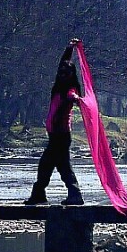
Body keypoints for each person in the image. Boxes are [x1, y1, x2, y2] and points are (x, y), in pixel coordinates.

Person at [27, 40, 86, 205]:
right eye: (61, 71)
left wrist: (76, 100)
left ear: (71, 75)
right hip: (55, 135)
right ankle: (66, 194)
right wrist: (69, 49)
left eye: (66, 72)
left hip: (61, 136)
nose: (62, 74)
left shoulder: (70, 89)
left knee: (50, 164)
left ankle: (47, 194)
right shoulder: (58, 86)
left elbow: (74, 97)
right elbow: (63, 63)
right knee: (58, 166)